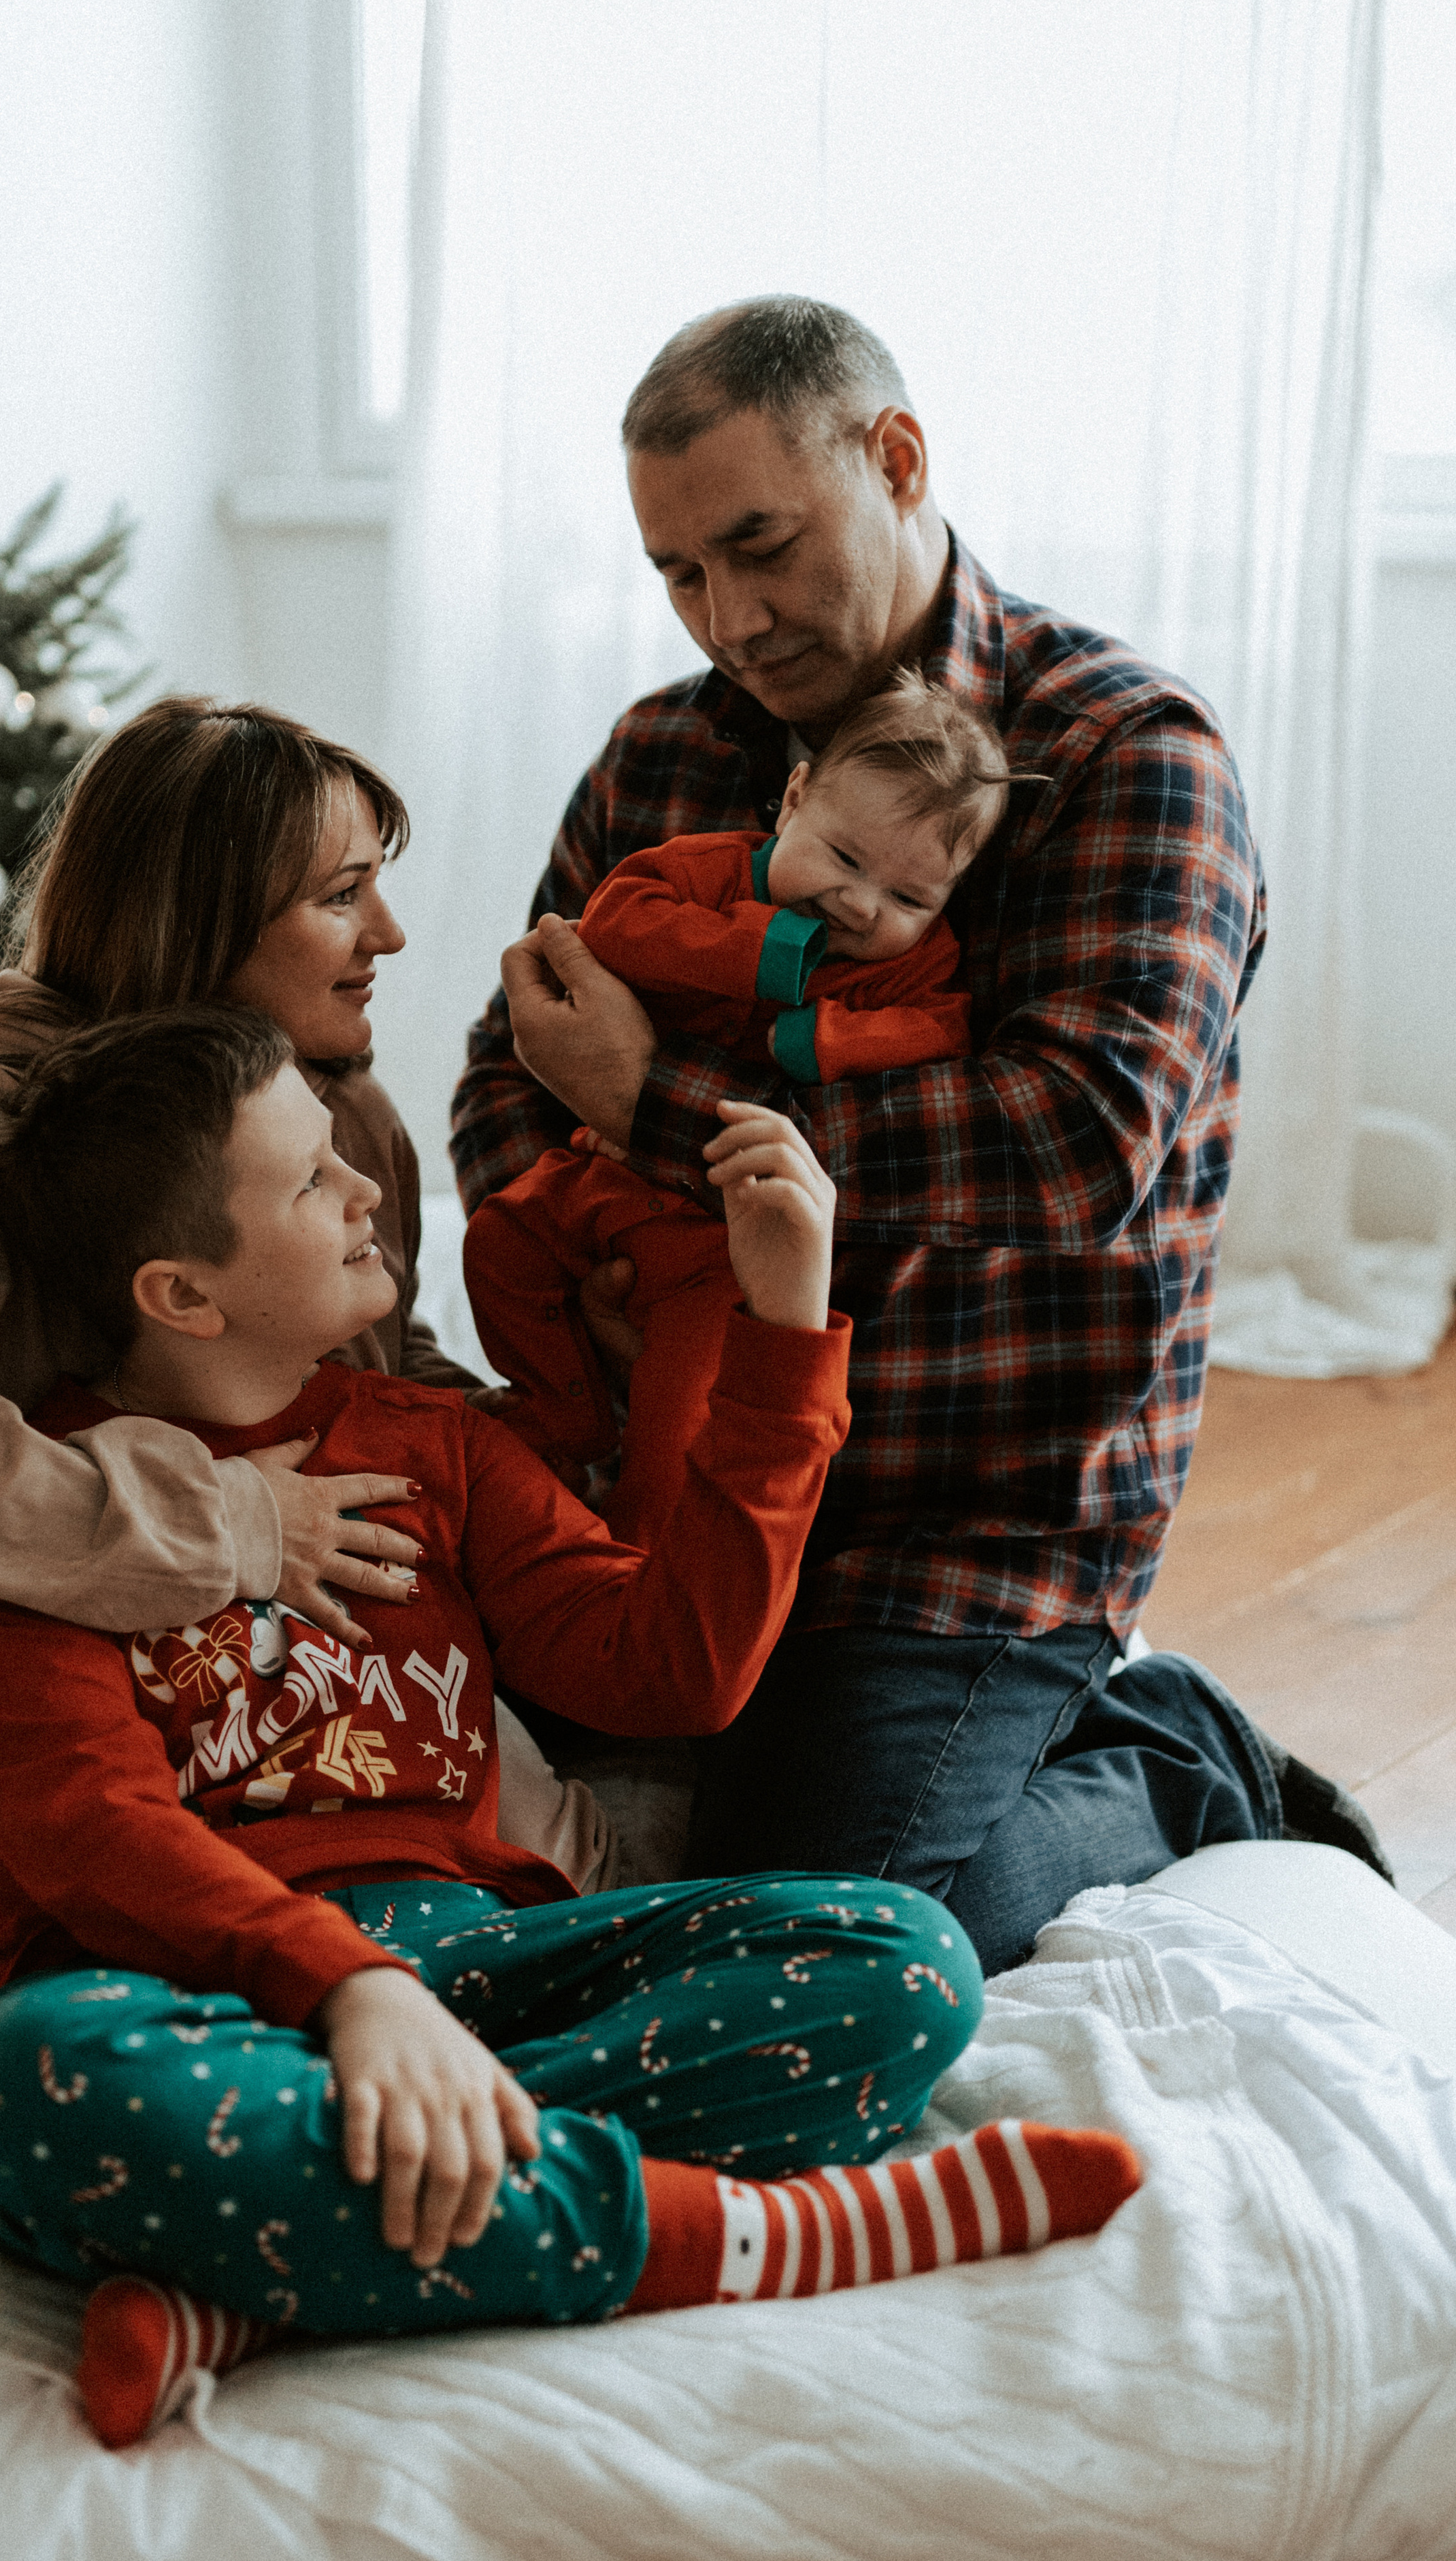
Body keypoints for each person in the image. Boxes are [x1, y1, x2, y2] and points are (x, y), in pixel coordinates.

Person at [0, 1002, 1142, 2447]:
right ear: (183, 1293)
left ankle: (272, 2270)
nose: (366, 1186)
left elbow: (672, 1670)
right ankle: (746, 2238)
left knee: (900, 1959)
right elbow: (97, 1837)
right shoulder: (27, 1518)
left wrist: (783, 1335)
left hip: (472, 1959)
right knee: (23, 2086)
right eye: (309, 1178)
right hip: (171, 1988)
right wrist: (350, 1993)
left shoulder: (434, 1448)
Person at [452, 295, 1392, 1972]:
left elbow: (1071, 1141)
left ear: (895, 461)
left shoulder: (1119, 755)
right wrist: (586, 1249)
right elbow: (510, 1072)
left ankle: (1179, 1755)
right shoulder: (661, 754)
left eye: (761, 547)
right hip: (679, 1472)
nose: (729, 618)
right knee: (400, 1762)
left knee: (825, 1937)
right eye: (679, 572)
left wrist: (653, 1113)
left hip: (960, 1522)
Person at [0, 697, 615, 2047]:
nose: (390, 935)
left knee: (571, 1875)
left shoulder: (347, 1117)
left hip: (306, 1626)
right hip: (2, 1634)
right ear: (195, 921)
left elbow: (383, 1372)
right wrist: (227, 1521)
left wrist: (563, 1421)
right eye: (341, 897)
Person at [462, 668, 1005, 1542]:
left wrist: (825, 1038)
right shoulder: (709, 871)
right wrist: (760, 950)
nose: (859, 905)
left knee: (678, 1427)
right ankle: (565, 1423)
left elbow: (941, 1027)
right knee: (497, 1243)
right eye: (843, 858)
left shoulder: (910, 961)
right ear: (793, 800)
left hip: (721, 1247)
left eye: (909, 898)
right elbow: (613, 922)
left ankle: (641, 1562)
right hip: (604, 1172)